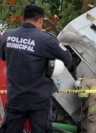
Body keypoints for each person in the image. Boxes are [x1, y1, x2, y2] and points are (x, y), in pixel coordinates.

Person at [0, 4, 72, 133]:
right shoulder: (47, 39)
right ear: (40, 20)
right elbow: (67, 58)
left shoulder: (7, 36)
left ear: (23, 20)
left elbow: (4, 58)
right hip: (40, 99)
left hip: (15, 97)